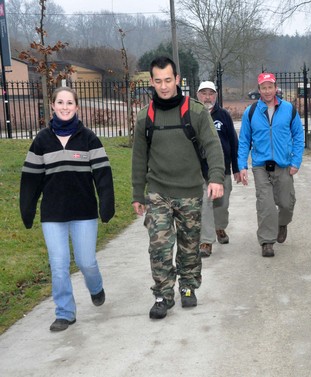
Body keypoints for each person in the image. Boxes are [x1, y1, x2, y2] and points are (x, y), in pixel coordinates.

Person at [131, 56, 225, 319]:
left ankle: (188, 287)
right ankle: (162, 294)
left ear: (177, 79)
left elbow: (212, 146)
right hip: (158, 191)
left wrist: (216, 177)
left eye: (168, 80)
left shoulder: (194, 111)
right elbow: (138, 158)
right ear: (151, 81)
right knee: (159, 246)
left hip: (190, 191)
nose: (163, 86)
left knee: (189, 244)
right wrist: (138, 193)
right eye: (158, 81)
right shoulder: (145, 117)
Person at [19, 86, 115, 332]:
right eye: (60, 102)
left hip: (84, 212)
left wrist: (106, 204)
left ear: (77, 107)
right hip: (53, 215)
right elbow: (31, 178)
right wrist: (27, 209)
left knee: (86, 262)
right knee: (59, 264)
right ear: (52, 105)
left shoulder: (89, 138)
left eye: (69, 103)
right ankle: (65, 312)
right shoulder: (41, 140)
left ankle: (96, 287)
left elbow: (103, 175)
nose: (64, 107)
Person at [238, 72, 304, 257]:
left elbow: (299, 135)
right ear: (259, 90)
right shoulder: (250, 112)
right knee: (265, 203)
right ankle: (267, 241)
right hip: (260, 165)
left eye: (270, 87)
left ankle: (282, 223)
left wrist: (296, 161)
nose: (267, 91)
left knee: (286, 203)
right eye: (263, 87)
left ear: (276, 88)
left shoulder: (288, 109)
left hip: (283, 164)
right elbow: (244, 140)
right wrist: (242, 165)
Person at [196, 81, 240, 257]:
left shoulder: (224, 116)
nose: (207, 97)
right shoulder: (193, 116)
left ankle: (220, 227)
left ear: (216, 95)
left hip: (222, 169)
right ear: (198, 95)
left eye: (211, 93)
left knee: (222, 205)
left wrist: (236, 168)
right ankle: (206, 241)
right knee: (205, 205)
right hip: (200, 170)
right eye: (204, 93)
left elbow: (233, 142)